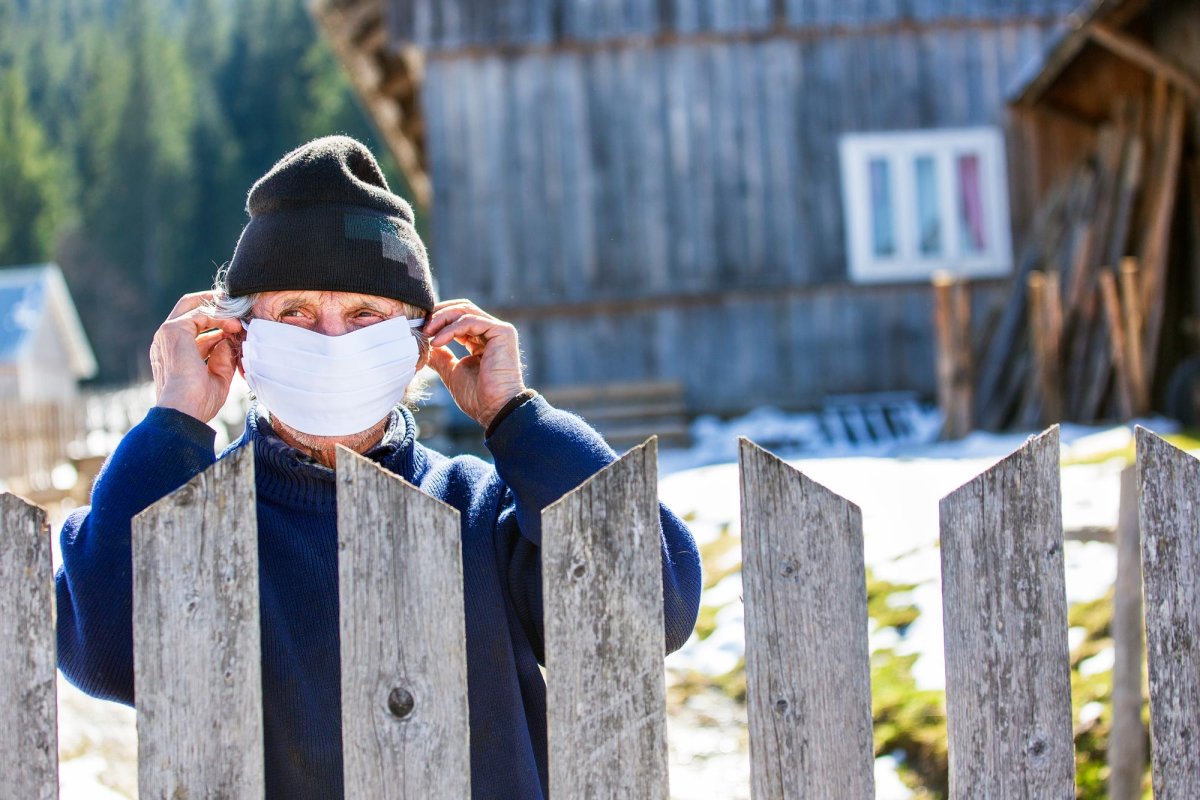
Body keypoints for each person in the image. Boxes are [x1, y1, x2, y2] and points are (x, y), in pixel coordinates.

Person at [55, 136, 702, 799]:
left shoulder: (485, 512)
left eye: (365, 312)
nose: (332, 340)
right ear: (241, 342)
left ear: (420, 345)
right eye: (295, 312)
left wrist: (516, 416)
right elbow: (102, 650)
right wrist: (175, 422)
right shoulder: (195, 521)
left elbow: (653, 614)